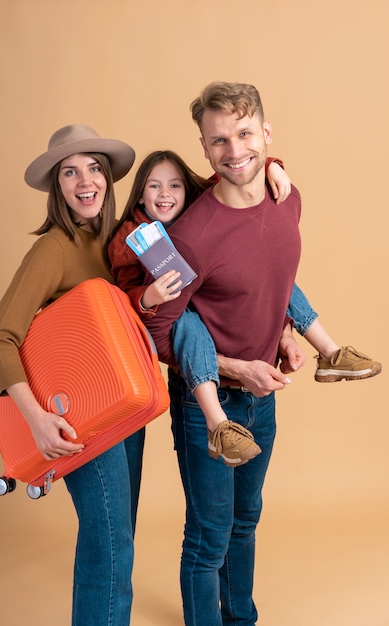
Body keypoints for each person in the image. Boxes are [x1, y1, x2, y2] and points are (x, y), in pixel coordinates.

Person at [144, 80, 305, 626]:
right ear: (204, 149)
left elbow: (268, 283)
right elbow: (162, 333)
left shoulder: (290, 201)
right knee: (209, 537)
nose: (235, 151)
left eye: (243, 133)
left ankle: (241, 618)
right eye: (218, 141)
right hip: (206, 407)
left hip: (263, 403)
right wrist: (237, 367)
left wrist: (285, 330)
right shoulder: (188, 238)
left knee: (245, 523)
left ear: (266, 132)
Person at [0, 124, 142, 626]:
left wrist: (270, 167)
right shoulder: (53, 247)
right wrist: (36, 419)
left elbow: (186, 190)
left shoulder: (117, 244)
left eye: (94, 168)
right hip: (79, 422)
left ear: (108, 180)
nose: (84, 180)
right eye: (69, 172)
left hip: (126, 409)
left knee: (113, 542)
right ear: (58, 188)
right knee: (110, 546)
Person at [109, 151, 290, 467]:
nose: (165, 195)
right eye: (154, 187)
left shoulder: (198, 212)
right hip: (181, 321)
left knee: (271, 268)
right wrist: (147, 296)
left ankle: (326, 347)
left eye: (175, 186)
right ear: (139, 195)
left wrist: (272, 166)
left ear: (187, 190)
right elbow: (123, 298)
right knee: (190, 326)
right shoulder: (128, 238)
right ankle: (216, 423)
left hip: (213, 305)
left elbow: (233, 174)